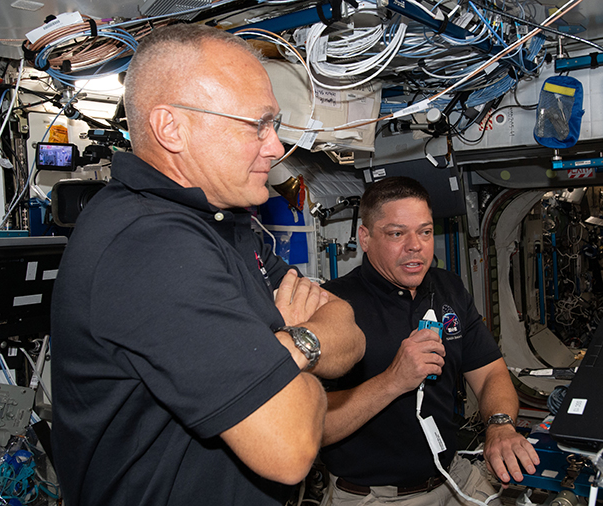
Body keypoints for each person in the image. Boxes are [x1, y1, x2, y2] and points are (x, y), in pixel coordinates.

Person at [50, 24, 365, 506]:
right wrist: (303, 344)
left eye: (274, 125)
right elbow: (291, 446)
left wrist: (293, 342)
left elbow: (350, 333)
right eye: (256, 124)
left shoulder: (222, 224)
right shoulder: (150, 245)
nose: (276, 147)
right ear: (170, 128)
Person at [320, 176, 539, 506]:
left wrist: (500, 426)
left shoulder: (447, 287)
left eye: (424, 231)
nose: (415, 245)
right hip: (374, 497)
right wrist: (394, 381)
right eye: (397, 233)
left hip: (453, 478)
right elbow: (316, 427)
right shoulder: (333, 307)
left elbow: (491, 372)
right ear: (365, 238)